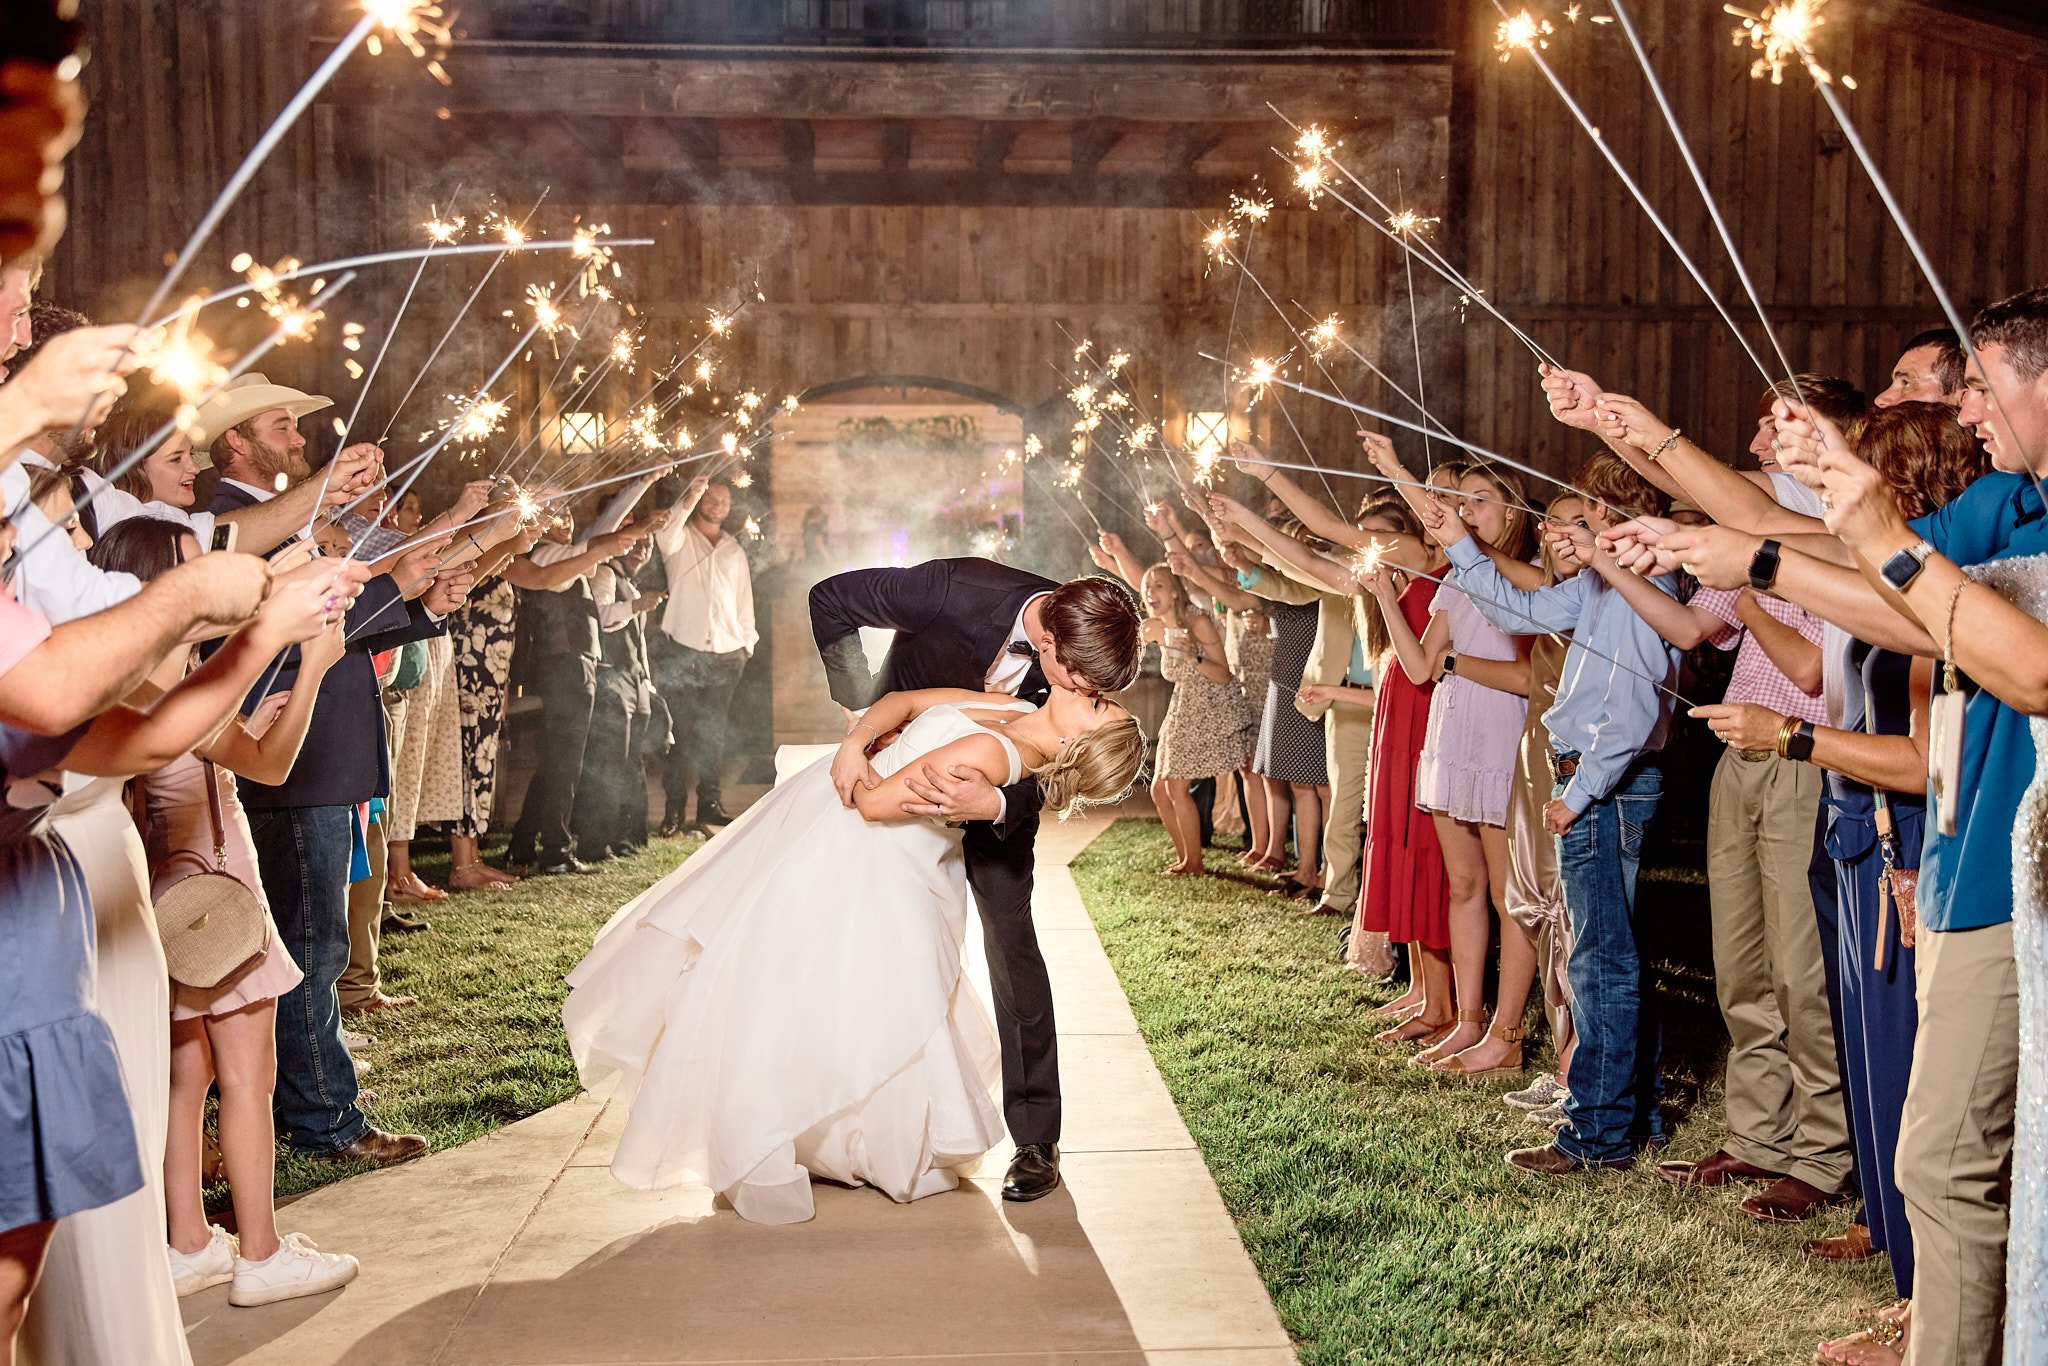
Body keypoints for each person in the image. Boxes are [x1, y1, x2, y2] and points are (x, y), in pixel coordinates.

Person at [564, 679, 1144, 1224]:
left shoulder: (993, 756)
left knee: (801, 987)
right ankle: (836, 1140)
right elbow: (907, 698)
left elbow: (873, 805)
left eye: (1098, 706)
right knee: (822, 989)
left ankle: (800, 1135)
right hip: (836, 827)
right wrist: (856, 740)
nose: (1093, 692)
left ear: (1074, 744)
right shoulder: (1017, 709)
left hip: (863, 854)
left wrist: (859, 762)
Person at [87, 517, 361, 1308]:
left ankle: (190, 1242)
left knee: (188, 1072)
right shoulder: (172, 684)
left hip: (159, 887)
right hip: (216, 877)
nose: (204, 571)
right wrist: (313, 670)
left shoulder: (133, 672)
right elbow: (267, 765)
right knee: (249, 1074)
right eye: (186, 565)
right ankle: (264, 1256)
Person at [809, 562, 1142, 1202]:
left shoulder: (1093, 641)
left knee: (1012, 945)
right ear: (1048, 645)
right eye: (1085, 683)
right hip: (902, 768)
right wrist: (860, 719)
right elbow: (832, 598)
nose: (1093, 694)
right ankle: (844, 1111)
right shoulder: (954, 593)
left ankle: (1036, 1139)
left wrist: (993, 806)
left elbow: (1069, 761)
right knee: (866, 943)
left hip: (1005, 799)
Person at [197, 377, 464, 1169]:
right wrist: (397, 585)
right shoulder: (228, 523)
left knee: (317, 944)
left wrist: (421, 598)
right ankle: (323, 1120)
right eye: (281, 424)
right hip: (290, 756)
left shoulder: (288, 523)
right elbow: (282, 635)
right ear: (236, 441)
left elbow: (332, 621)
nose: (299, 435)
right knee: (310, 946)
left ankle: (311, 1092)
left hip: (323, 749)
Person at [1435, 451, 1681, 1175]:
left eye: (1585, 514)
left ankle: (1597, 1135)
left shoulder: (1642, 590)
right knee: (1609, 951)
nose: (1565, 531)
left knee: (1601, 959)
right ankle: (1640, 1112)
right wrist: (1457, 539)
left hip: (1606, 785)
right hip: (1593, 779)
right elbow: (1522, 609)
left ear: (1614, 516)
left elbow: (1632, 709)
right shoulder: (1603, 588)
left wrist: (1577, 794)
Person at [510, 478, 658, 875]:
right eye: (557, 515)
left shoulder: (569, 558)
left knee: (562, 758)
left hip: (579, 664)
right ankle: (554, 850)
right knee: (565, 759)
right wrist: (634, 526)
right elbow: (596, 542)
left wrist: (643, 489)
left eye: (569, 514)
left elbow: (600, 543)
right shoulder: (546, 555)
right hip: (563, 663)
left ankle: (527, 842)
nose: (568, 521)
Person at [1094, 535, 1252, 874]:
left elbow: (1223, 675)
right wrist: (1111, 562)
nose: (1151, 592)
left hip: (1210, 705)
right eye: (1148, 588)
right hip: (1183, 704)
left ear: (1176, 591)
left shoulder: (1196, 621)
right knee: (1159, 790)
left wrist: (1189, 654)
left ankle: (1194, 862)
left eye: (1160, 586)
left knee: (1175, 786)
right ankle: (1185, 858)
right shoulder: (1156, 624)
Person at [651, 478, 754, 835]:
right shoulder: (679, 540)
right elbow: (664, 533)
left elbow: (744, 602)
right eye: (711, 498)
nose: (719, 504)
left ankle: (710, 806)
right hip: (684, 648)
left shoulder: (733, 550)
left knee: (714, 734)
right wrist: (691, 494)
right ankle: (674, 810)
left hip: (727, 654)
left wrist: (746, 643)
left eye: (724, 499)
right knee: (680, 733)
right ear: (700, 501)